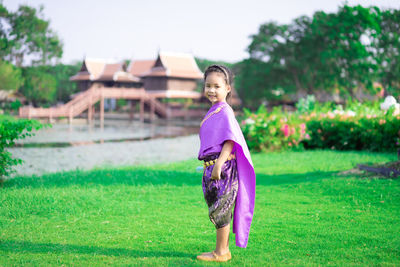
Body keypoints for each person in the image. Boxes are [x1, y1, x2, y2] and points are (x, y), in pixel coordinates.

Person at [196, 65, 256, 262]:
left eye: (217, 86)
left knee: (222, 209)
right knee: (217, 208)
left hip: (222, 168)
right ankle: (221, 250)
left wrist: (219, 164)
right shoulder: (215, 110)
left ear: (227, 88)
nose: (212, 90)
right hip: (212, 166)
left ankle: (221, 252)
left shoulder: (225, 111)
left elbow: (230, 140)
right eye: (208, 85)